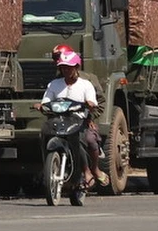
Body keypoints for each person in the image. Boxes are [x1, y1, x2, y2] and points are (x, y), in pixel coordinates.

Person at [37, 48, 108, 189]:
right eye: (63, 68)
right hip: (58, 120)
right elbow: (46, 101)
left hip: (79, 121)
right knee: (44, 132)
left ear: (76, 68)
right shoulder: (54, 84)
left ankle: (90, 170)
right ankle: (47, 167)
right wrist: (41, 106)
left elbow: (94, 103)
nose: (66, 71)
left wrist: (90, 107)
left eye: (69, 68)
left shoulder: (86, 84)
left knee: (87, 139)